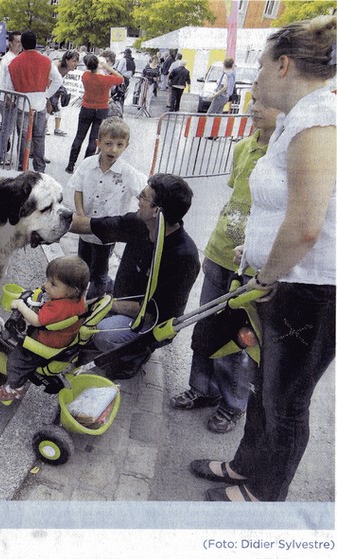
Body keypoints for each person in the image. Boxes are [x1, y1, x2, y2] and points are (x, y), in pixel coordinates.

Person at [193, 16, 336, 502]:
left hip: (310, 290)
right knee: (264, 386)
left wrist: (266, 272)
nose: (255, 76)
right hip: (286, 280)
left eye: (260, 64)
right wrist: (255, 250)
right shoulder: (298, 118)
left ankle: (264, 494)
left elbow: (306, 225)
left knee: (286, 400)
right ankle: (244, 466)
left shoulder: (318, 122)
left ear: (283, 65)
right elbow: (283, 211)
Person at [171, 85, 279, 434]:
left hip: (254, 264)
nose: (254, 107)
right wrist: (212, 250)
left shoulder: (285, 158)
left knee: (239, 337)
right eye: (254, 101)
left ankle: (233, 403)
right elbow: (235, 202)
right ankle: (202, 388)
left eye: (264, 103)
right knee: (207, 326)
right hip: (220, 252)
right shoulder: (242, 147)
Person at [70, 174, 200, 379]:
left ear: (157, 211)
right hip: (122, 299)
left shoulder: (183, 257)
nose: (138, 200)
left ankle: (134, 356)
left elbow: (152, 314)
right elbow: (93, 225)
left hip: (150, 322)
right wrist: (47, 223)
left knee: (102, 333)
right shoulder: (140, 223)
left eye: (143, 197)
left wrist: (105, 305)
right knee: (80, 304)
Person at [0, 257, 90, 402]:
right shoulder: (77, 298)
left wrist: (20, 305)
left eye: (53, 284)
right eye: (48, 280)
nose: (45, 285)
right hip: (62, 337)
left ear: (71, 291)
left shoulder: (60, 308)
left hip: (48, 342)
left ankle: (15, 388)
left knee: (18, 360)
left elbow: (37, 321)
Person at [70, 117, 146, 299]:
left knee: (99, 272)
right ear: (99, 143)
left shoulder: (128, 173)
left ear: (126, 146)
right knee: (83, 266)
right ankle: (88, 292)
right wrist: (80, 213)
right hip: (85, 228)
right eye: (109, 144)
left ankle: (94, 302)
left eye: (119, 145)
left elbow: (145, 194)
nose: (113, 150)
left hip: (107, 234)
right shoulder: (87, 164)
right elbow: (78, 189)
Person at [1, 30, 62, 173]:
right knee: (39, 137)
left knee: (23, 138)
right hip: (40, 104)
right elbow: (58, 80)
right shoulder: (46, 61)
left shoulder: (13, 63)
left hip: (23, 104)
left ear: (22, 44)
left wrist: (15, 98)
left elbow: (9, 87)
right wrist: (46, 95)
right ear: (36, 43)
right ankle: (40, 169)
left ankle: (22, 168)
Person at [65, 53, 123, 174]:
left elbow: (90, 71)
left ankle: (70, 164)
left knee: (79, 136)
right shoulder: (105, 79)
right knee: (94, 139)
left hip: (87, 108)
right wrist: (106, 67)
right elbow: (120, 78)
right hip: (101, 109)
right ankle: (85, 166)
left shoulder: (85, 76)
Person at [0, 30, 21, 165]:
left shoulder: (10, 58)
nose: (20, 44)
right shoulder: (9, 59)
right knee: (7, 129)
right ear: (10, 43)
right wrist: (8, 97)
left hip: (7, 97)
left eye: (21, 42)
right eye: (17, 42)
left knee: (7, 129)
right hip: (8, 99)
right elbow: (7, 81)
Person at [48, 50, 79, 136]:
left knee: (57, 106)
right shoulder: (57, 66)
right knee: (49, 106)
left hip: (56, 85)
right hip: (49, 85)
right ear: (66, 60)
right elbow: (49, 80)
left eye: (77, 61)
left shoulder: (68, 68)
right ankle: (45, 127)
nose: (76, 63)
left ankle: (57, 129)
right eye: (74, 61)